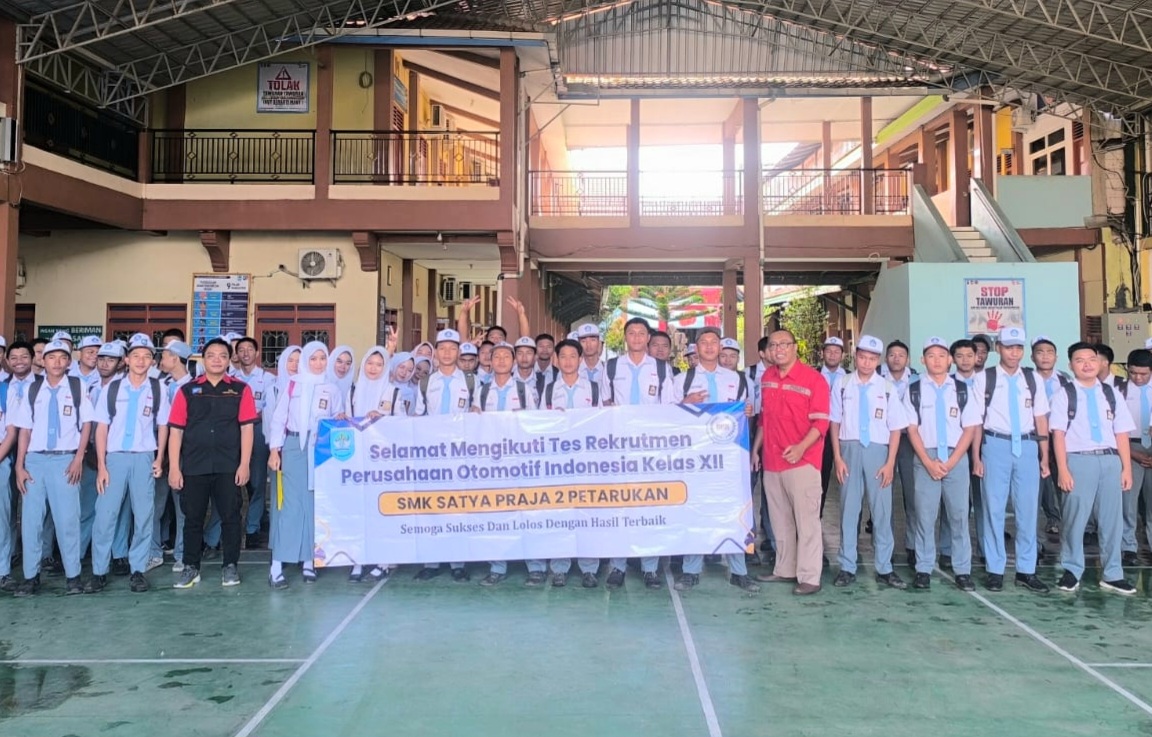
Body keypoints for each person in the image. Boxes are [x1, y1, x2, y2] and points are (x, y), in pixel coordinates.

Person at [671, 327, 759, 593]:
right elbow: (667, 418)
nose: (709, 347)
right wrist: (686, 402)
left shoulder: (739, 380)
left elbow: (750, 414)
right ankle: (691, 570)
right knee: (695, 509)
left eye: (714, 342)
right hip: (696, 459)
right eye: (704, 342)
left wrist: (747, 411)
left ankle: (738, 571)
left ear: (721, 348)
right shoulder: (682, 381)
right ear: (696, 348)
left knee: (735, 511)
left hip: (731, 459)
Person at [167, 338, 255, 589]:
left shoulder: (241, 390)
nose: (217, 359)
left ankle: (230, 566)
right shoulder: (188, 390)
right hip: (194, 466)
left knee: (230, 516)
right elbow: (176, 431)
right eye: (211, 355)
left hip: (229, 465)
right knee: (192, 518)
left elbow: (247, 428)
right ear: (202, 360)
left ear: (229, 360)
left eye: (222, 355)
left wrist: (244, 464)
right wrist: (175, 466)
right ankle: (191, 567)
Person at [87, 335, 170, 594]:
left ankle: (137, 570)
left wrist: (159, 457)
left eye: (146, 356)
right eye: (136, 356)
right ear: (126, 360)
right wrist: (101, 465)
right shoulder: (111, 388)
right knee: (105, 514)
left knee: (143, 515)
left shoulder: (158, 389)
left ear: (152, 361)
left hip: (144, 457)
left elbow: (163, 425)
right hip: (114, 458)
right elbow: (101, 428)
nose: (141, 361)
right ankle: (99, 571)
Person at [1051, 342, 1135, 595]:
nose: (1087, 364)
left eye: (1091, 359)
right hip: (1078, 460)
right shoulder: (1064, 394)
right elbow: (1058, 434)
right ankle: (1072, 569)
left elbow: (1121, 433)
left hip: (1110, 461)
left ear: (1100, 363)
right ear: (1070, 365)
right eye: (1080, 360)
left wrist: (1126, 468)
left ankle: (1112, 573)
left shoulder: (1111, 393)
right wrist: (1063, 469)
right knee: (1076, 518)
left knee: (1112, 520)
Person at [12, 340, 94, 596]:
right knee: (31, 522)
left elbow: (86, 425)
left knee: (67, 520)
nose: (57, 362)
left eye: (62, 357)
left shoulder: (77, 386)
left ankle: (73, 577)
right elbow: (25, 430)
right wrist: (20, 465)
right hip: (35, 460)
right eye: (51, 357)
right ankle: (30, 577)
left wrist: (78, 458)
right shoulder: (33, 389)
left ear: (69, 362)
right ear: (43, 361)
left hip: (65, 460)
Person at [971, 327, 1050, 593]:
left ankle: (1026, 570)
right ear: (998, 348)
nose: (1014, 353)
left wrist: (1045, 456)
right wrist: (977, 456)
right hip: (995, 445)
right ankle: (995, 569)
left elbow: (1041, 418)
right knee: (993, 509)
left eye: (1018, 348)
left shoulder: (1033, 379)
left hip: (1027, 446)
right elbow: (976, 421)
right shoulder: (985, 378)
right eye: (1008, 347)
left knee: (1028, 510)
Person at [751, 330, 829, 596]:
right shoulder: (767, 377)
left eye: (784, 344)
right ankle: (784, 569)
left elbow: (821, 423)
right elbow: (764, 419)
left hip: (802, 462)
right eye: (773, 345)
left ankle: (809, 577)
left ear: (796, 347)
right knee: (780, 520)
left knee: (807, 522)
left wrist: (801, 448)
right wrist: (756, 449)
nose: (779, 349)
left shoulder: (814, 379)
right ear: (768, 351)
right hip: (772, 462)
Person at [599, 317, 675, 590]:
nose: (637, 337)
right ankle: (617, 566)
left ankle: (650, 568)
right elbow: (603, 406)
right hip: (619, 448)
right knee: (619, 508)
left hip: (649, 449)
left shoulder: (662, 369)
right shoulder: (610, 367)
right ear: (625, 337)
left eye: (641, 333)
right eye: (631, 333)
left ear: (647, 338)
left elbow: (669, 410)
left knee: (649, 507)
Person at [829, 335, 909, 590]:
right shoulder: (842, 384)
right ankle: (847, 566)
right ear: (855, 357)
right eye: (862, 357)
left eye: (872, 358)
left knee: (882, 512)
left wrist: (890, 463)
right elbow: (835, 423)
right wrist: (838, 458)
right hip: (849, 449)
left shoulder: (886, 388)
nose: (866, 362)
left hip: (878, 452)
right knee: (849, 511)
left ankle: (885, 567)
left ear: (878, 360)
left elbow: (896, 428)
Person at [903, 337, 981, 591]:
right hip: (925, 456)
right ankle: (924, 568)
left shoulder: (962, 389)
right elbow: (912, 429)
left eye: (941, 356)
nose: (936, 361)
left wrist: (952, 461)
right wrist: (927, 461)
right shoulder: (913, 389)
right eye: (930, 356)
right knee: (925, 516)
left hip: (955, 457)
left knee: (959, 516)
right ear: (922, 360)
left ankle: (962, 570)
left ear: (949, 360)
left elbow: (970, 429)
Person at [267, 342, 344, 589]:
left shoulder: (331, 388)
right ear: (305, 361)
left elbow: (338, 418)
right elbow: (278, 420)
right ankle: (277, 564)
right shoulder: (292, 385)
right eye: (314, 358)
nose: (319, 363)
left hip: (320, 449)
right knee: (290, 505)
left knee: (314, 505)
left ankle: (310, 561)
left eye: (323, 358)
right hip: (293, 446)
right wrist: (274, 451)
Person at [474, 341, 541, 586]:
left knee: (526, 514)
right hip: (492, 465)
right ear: (489, 362)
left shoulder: (524, 390)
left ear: (513, 362)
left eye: (506, 356)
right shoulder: (481, 391)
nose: (501, 360)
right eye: (496, 356)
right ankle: (497, 567)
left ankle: (535, 566)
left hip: (520, 464)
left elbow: (534, 426)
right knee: (496, 515)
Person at [413, 329, 475, 581]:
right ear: (436, 352)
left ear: (459, 352)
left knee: (458, 508)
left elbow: (478, 415)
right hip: (433, 456)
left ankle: (458, 563)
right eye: (443, 348)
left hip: (461, 455)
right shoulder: (426, 382)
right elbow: (418, 417)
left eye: (453, 348)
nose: (448, 353)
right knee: (433, 508)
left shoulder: (470, 382)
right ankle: (431, 562)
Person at [541, 338, 602, 587]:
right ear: (556, 360)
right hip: (557, 464)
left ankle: (589, 567)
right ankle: (559, 567)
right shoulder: (547, 391)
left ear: (580, 359)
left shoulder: (595, 389)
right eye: (562, 356)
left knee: (588, 514)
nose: (567, 361)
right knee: (559, 515)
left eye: (572, 356)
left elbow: (603, 423)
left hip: (587, 463)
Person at [155, 341, 195, 573]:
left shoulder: (192, 387)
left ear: (177, 359)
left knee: (183, 506)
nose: (162, 359)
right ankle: (153, 552)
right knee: (156, 504)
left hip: (183, 453)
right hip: (160, 451)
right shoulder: (161, 385)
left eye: (166, 355)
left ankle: (182, 553)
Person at [233, 337, 276, 548]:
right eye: (241, 350)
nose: (246, 353)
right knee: (234, 481)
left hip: (258, 431)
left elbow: (268, 409)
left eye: (250, 349)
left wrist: (250, 417)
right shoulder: (231, 378)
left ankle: (252, 529)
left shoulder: (268, 379)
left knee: (258, 482)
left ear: (257, 353)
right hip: (234, 432)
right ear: (237, 354)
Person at [1032, 336, 1068, 538]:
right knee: (1035, 486)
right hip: (1033, 437)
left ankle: (1070, 528)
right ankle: (1035, 533)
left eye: (1049, 352)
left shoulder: (1065, 380)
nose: (1045, 357)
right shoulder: (1026, 379)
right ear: (1032, 356)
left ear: (1056, 357)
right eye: (1040, 352)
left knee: (1062, 481)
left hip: (1058, 438)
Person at [1120, 349, 1152, 567]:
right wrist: (1133, 453)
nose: (1138, 378)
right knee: (1128, 502)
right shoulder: (1118, 391)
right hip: (1130, 448)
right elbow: (1112, 429)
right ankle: (1128, 546)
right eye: (1133, 373)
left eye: (1144, 374)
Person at [819, 337, 847, 517]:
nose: (832, 355)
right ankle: (816, 518)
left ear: (843, 355)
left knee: (849, 481)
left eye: (837, 352)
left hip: (845, 433)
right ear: (822, 354)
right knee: (819, 479)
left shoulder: (852, 377)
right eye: (829, 351)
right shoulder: (811, 375)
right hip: (819, 434)